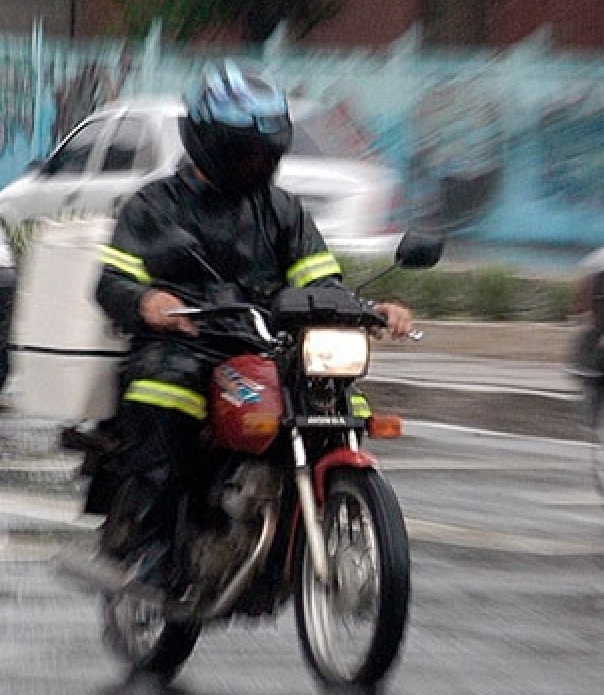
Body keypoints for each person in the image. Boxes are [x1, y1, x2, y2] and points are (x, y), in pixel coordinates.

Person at [84, 59, 413, 591]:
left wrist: (369, 309)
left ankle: (305, 521)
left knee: (336, 402)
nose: (257, 161)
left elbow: (319, 280)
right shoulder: (156, 205)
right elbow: (111, 281)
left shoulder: (283, 211)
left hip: (265, 347)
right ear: (209, 143)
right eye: (246, 152)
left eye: (267, 152)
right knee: (167, 395)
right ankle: (152, 548)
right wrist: (147, 302)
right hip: (184, 343)